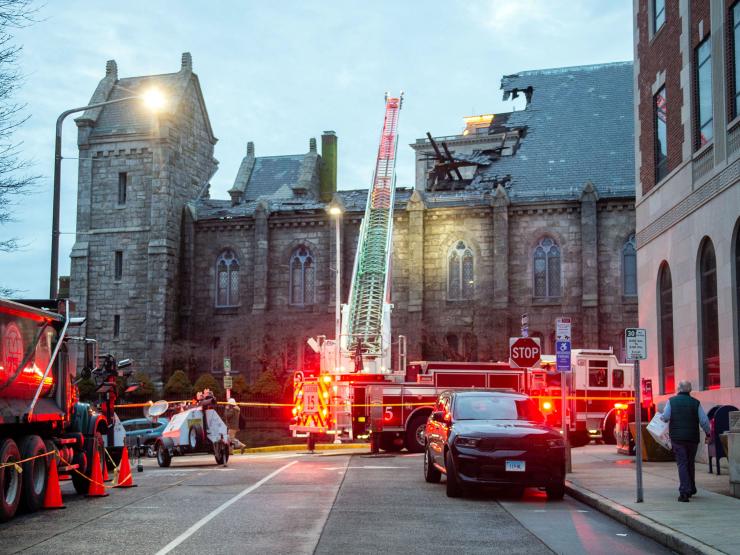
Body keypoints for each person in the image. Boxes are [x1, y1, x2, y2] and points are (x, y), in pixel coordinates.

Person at [661, 380, 711, 502]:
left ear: (678, 389)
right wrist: (708, 433)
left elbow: (666, 417)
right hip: (692, 438)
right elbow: (704, 421)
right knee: (690, 462)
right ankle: (691, 487)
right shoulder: (695, 403)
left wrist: (662, 418)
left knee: (682, 463)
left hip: (678, 438)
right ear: (690, 390)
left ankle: (684, 491)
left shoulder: (671, 401)